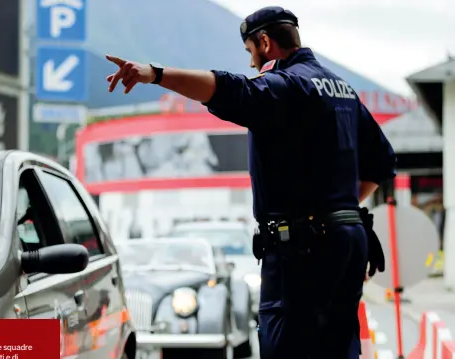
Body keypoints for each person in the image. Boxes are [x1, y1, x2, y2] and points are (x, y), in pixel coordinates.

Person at [104, 6, 395, 359]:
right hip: (349, 242)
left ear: (265, 42)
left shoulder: (286, 85)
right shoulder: (342, 89)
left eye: (250, 54)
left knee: (287, 346)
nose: (252, 64)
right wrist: (340, 211)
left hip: (301, 250)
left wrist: (155, 74)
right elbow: (382, 162)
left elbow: (227, 89)